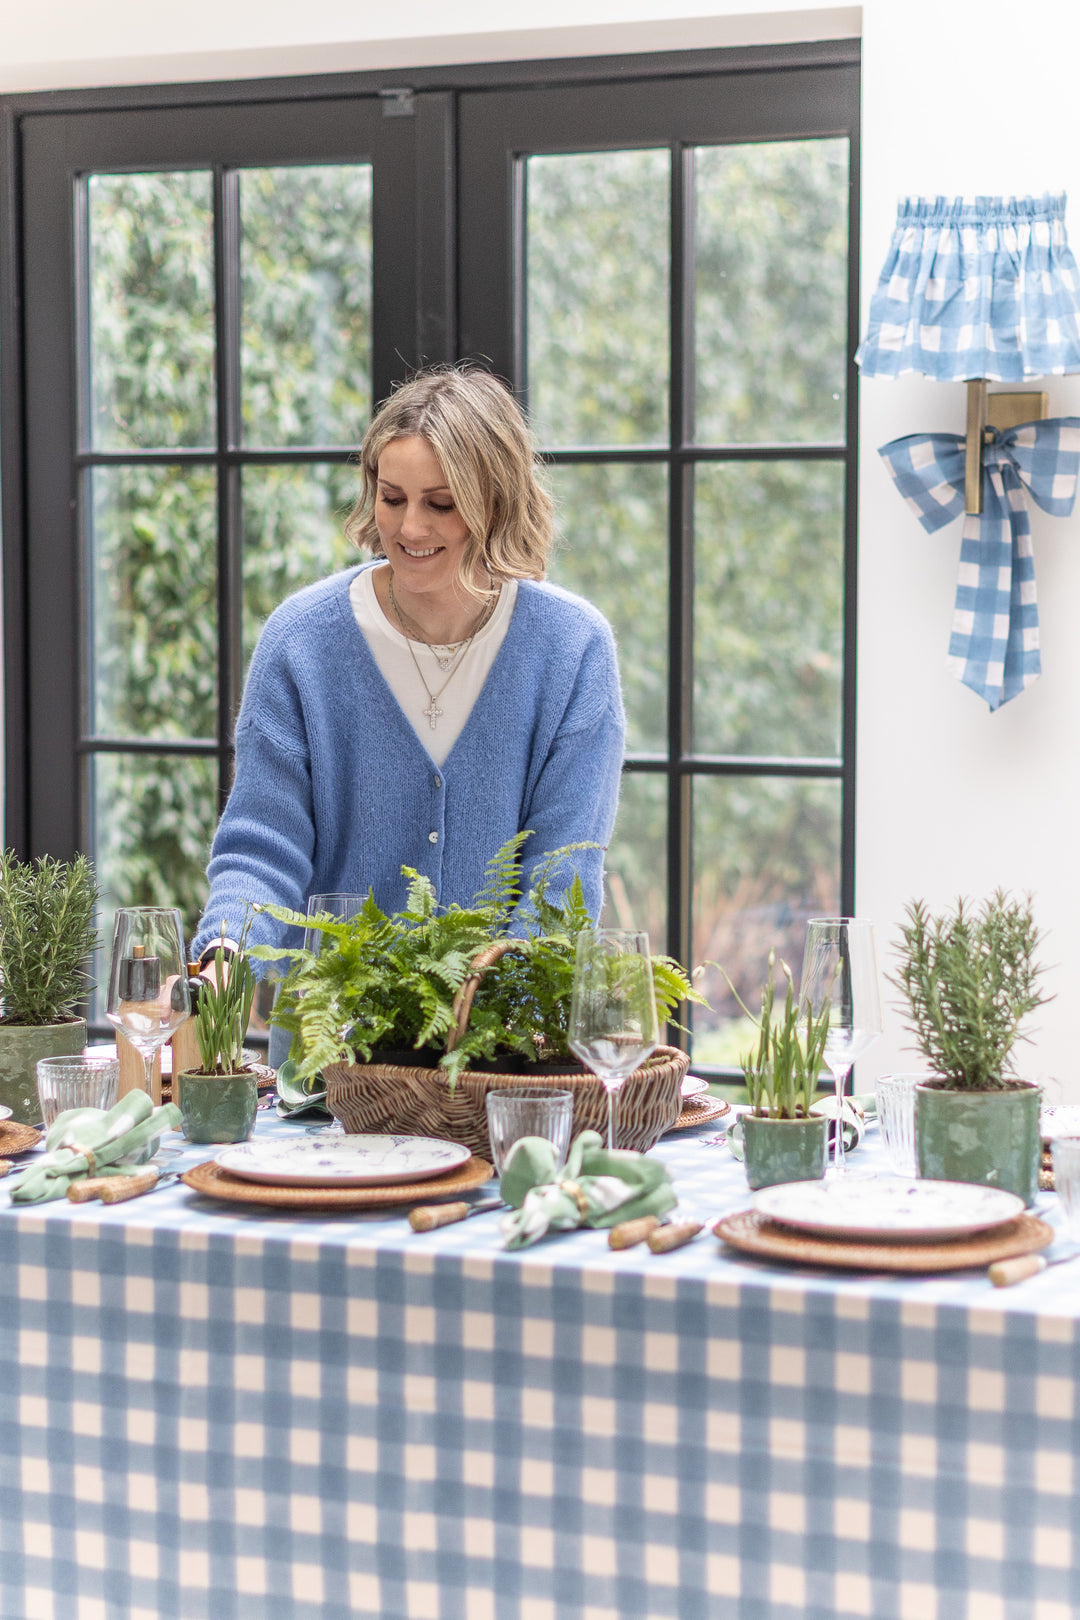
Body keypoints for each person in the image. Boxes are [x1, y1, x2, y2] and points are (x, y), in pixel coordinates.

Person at [190, 366, 626, 1017]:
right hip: (331, 1054)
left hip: (499, 1051)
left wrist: (485, 1025)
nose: (410, 528)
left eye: (440, 504)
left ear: (495, 503)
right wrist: (224, 958)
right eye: (392, 498)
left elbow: (560, 883)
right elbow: (262, 844)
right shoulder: (302, 642)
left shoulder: (572, 649)